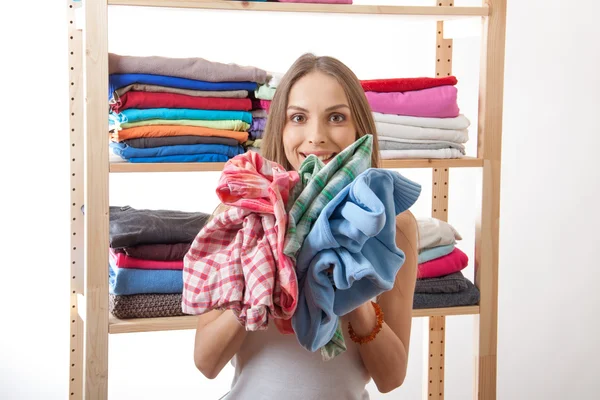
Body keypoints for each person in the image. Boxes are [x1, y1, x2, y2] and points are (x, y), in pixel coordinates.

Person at [192, 53, 419, 399]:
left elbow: (391, 378)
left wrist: (355, 292)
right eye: (298, 117)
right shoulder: (242, 215)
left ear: (359, 127)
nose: (316, 136)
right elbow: (206, 362)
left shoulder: (393, 225)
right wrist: (261, 280)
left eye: (336, 117)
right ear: (280, 128)